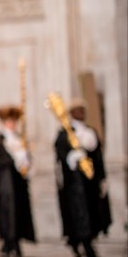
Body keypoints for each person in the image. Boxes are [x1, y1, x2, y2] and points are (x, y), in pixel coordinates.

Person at [55, 98, 111, 257]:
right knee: (78, 214)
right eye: (78, 110)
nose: (81, 113)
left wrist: (102, 178)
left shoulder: (89, 131)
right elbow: (60, 154)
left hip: (89, 182)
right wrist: (71, 156)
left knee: (92, 211)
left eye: (83, 110)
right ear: (72, 113)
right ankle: (79, 242)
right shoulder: (65, 133)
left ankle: (89, 240)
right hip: (73, 183)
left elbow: (98, 156)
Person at [0, 105, 35, 256]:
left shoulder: (20, 139)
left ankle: (18, 240)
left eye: (14, 121)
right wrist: (13, 157)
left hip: (19, 183)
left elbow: (27, 160)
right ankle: (9, 241)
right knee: (7, 213)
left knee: (20, 212)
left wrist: (24, 158)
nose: (12, 124)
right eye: (9, 121)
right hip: (5, 184)